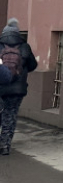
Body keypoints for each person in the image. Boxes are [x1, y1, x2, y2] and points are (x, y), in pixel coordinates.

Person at [0, 18, 38, 155]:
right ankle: (5, 145)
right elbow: (33, 65)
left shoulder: (0, 46)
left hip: (1, 87)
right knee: (10, 114)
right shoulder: (24, 46)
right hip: (17, 89)